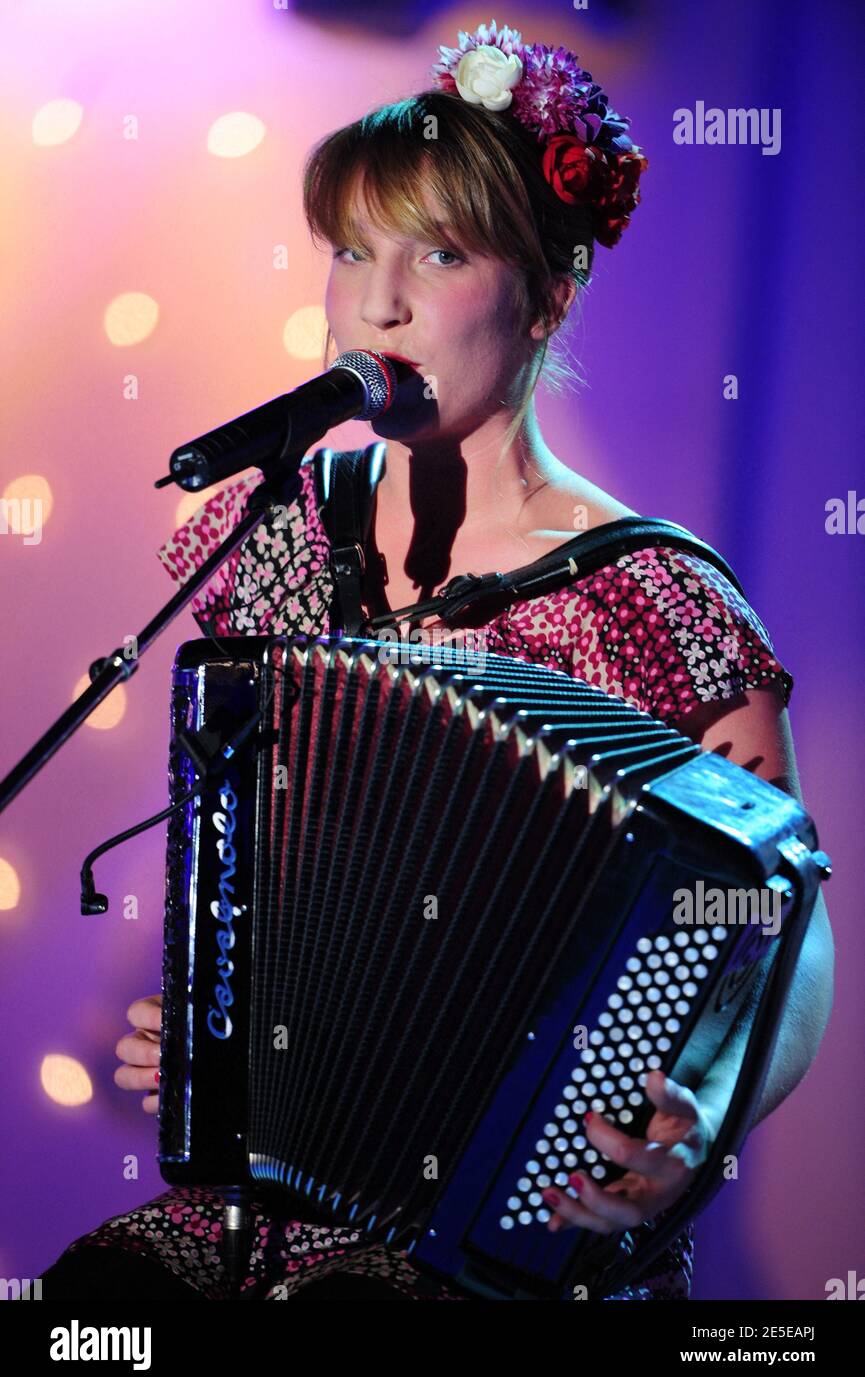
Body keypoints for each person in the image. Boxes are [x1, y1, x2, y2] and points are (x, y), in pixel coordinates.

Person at [38, 20, 833, 1301]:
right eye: (353, 251)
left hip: (505, 1234)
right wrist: (203, 1027)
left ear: (551, 291)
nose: (377, 300)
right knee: (87, 1321)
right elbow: (253, 873)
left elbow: (782, 931)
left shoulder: (655, 591)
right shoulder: (280, 533)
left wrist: (698, 1118)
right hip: (273, 1207)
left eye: (440, 253)